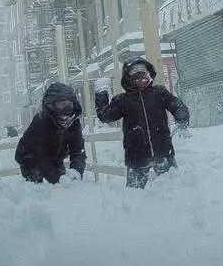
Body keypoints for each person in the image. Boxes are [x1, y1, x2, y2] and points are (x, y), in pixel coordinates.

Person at [95, 58, 190, 188]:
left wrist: (182, 120)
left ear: (148, 74)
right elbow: (105, 116)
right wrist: (101, 93)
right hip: (136, 160)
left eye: (143, 72)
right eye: (135, 74)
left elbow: (178, 106)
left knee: (173, 190)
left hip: (163, 154)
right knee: (134, 197)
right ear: (127, 78)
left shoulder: (159, 93)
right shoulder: (122, 100)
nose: (140, 77)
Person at [15, 83, 86, 184]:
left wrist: (76, 171)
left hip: (56, 161)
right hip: (31, 161)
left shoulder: (73, 123)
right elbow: (40, 156)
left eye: (69, 105)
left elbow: (78, 150)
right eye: (61, 105)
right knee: (44, 189)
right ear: (51, 106)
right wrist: (56, 178)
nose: (66, 110)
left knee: (64, 186)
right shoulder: (41, 122)